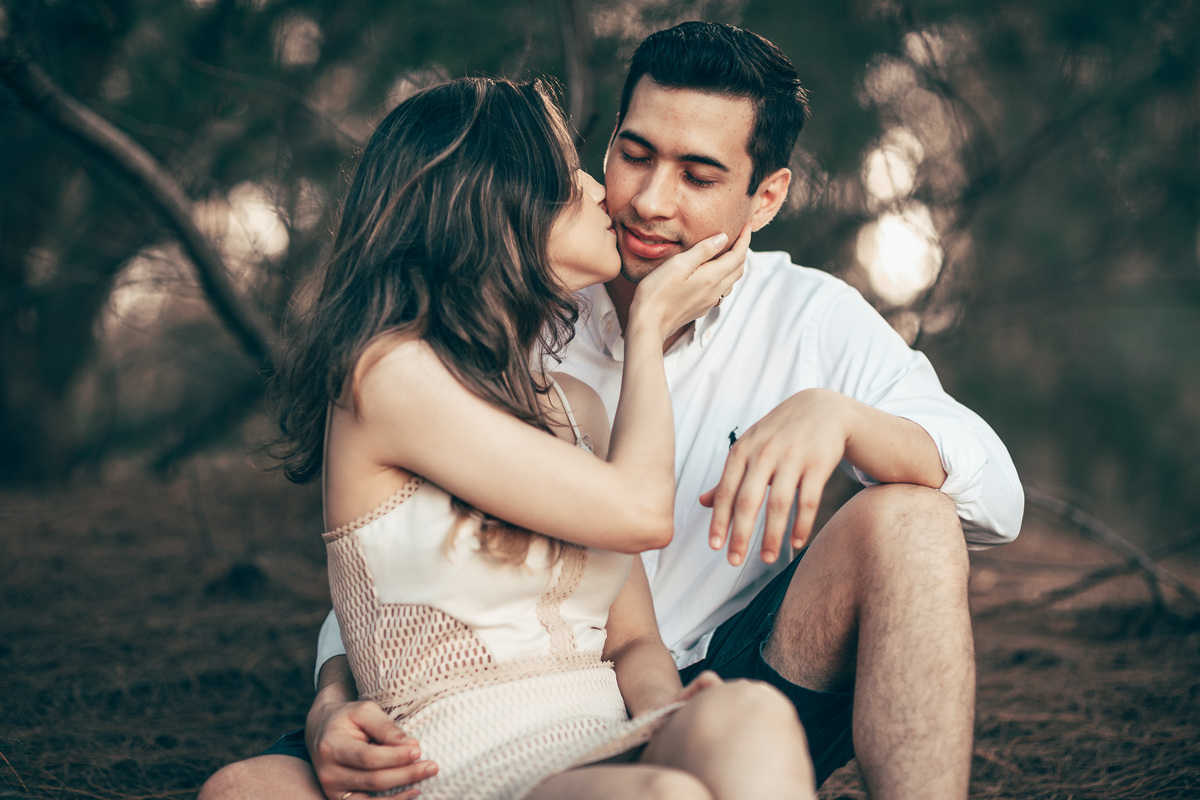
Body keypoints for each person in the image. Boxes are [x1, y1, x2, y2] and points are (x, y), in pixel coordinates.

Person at [203, 21, 1024, 800]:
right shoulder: (489, 330)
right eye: (631, 156)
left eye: (699, 177)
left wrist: (844, 419)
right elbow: (389, 566)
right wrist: (329, 697)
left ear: (765, 197)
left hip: (708, 674)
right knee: (246, 790)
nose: (644, 201)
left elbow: (998, 500)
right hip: (460, 708)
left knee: (913, 516)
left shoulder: (808, 318)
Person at [207, 75, 812, 800]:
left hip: (597, 742)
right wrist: (647, 326)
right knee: (666, 797)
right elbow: (643, 512)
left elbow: (633, 640)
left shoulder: (577, 407)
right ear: (495, 210)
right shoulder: (387, 375)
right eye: (565, 179)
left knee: (749, 711)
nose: (599, 190)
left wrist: (666, 713)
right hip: (462, 766)